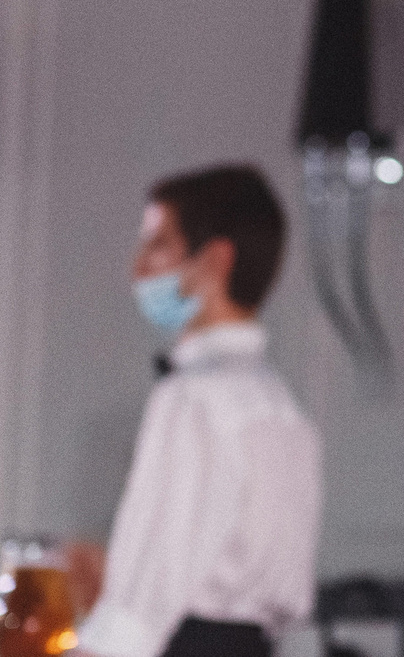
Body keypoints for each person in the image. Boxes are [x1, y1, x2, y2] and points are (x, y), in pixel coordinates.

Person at [73, 166, 321, 657]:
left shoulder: (192, 398)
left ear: (214, 260)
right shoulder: (283, 406)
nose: (137, 267)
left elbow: (154, 583)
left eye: (158, 245)